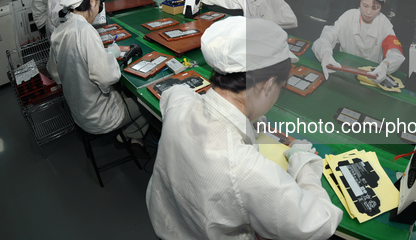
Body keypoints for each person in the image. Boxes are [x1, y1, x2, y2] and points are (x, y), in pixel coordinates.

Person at [146, 16, 343, 240]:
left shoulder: (179, 102)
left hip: (166, 224)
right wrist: (303, 163)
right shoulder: (246, 168)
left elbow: (174, 93)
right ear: (268, 84)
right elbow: (321, 222)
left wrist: (248, 118)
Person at [47, 0, 150, 156]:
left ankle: (128, 134)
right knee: (146, 104)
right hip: (100, 116)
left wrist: (100, 56)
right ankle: (129, 135)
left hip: (78, 112)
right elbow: (108, 77)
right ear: (92, 1)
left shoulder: (59, 32)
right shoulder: (86, 31)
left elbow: (54, 73)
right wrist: (111, 55)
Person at [312, 0, 404, 80]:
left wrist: (385, 65)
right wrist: (325, 54)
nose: (368, 12)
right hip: (344, 74)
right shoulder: (348, 17)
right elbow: (327, 37)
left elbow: (395, 53)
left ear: (383, 4)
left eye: (375, 8)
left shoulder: (384, 25)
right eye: (365, 5)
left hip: (372, 77)